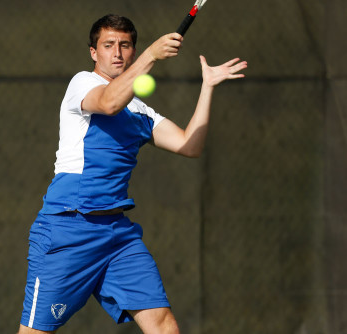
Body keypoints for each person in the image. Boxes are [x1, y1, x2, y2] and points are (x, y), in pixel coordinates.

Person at [18, 14, 247, 334]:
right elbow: (109, 103)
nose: (117, 53)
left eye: (125, 45)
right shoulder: (82, 83)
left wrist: (207, 88)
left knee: (164, 326)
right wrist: (152, 55)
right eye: (108, 45)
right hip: (69, 228)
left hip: (117, 236)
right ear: (93, 52)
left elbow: (188, 144)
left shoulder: (140, 111)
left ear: (133, 51)